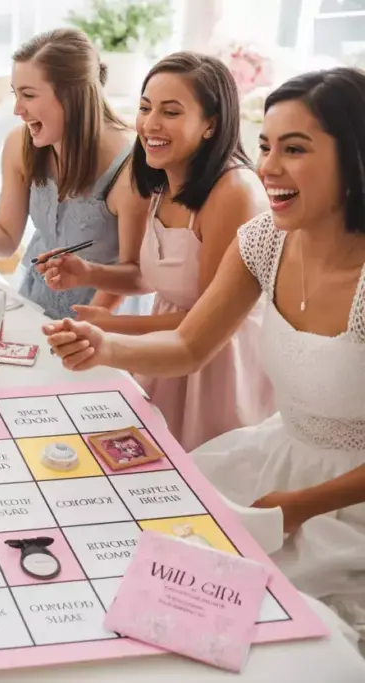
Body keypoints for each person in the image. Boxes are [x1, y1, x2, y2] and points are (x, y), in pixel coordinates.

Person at [45, 67, 365, 643]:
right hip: (274, 462)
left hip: (348, 503)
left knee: (287, 632)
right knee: (140, 572)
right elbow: (191, 344)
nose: (268, 167)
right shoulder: (265, 239)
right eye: (266, 145)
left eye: (295, 149)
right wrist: (107, 346)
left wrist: (300, 506)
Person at [34, 52, 275, 451]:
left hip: (219, 365)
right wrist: (89, 272)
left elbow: (198, 321)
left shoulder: (234, 192)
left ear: (211, 124)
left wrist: (109, 326)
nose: (150, 123)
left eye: (171, 112)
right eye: (145, 107)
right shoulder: (160, 177)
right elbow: (154, 275)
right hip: (165, 349)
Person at [0, 28, 149, 320]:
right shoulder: (20, 144)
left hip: (102, 323)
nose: (18, 109)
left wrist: (77, 330)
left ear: (73, 97)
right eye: (16, 94)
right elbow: (6, 238)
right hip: (37, 308)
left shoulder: (132, 167)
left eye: (29, 95)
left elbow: (135, 274)